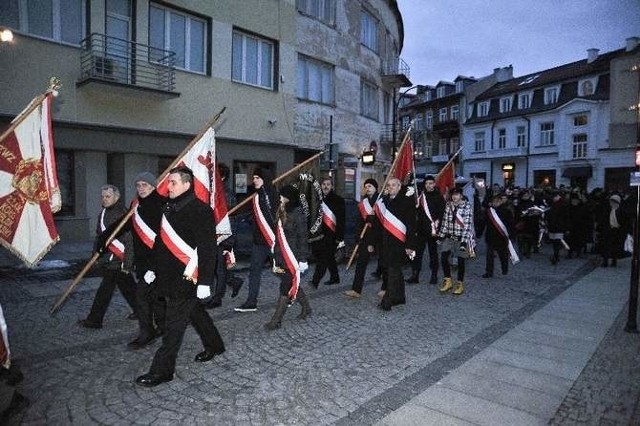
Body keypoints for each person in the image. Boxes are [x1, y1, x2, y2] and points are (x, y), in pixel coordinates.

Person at [135, 166, 225, 388]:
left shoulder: (200, 210)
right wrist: (152, 268)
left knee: (173, 326)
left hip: (187, 279)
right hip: (167, 276)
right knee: (195, 312)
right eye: (168, 183)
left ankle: (162, 371)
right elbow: (161, 243)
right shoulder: (169, 208)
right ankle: (215, 345)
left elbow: (207, 248)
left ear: (186, 184)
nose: (169, 187)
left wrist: (205, 281)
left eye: (173, 182)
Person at [96, 172, 168, 349]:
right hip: (143, 262)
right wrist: (103, 239)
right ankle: (163, 326)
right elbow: (123, 224)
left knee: (141, 296)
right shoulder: (138, 206)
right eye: (138, 185)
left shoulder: (160, 205)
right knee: (156, 296)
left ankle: (147, 333)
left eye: (145, 185)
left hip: (156, 262)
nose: (141, 188)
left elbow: (163, 238)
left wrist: (154, 266)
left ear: (153, 186)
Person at [78, 184, 138, 329]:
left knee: (104, 291)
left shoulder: (121, 214)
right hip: (111, 259)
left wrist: (128, 264)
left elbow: (129, 240)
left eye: (108, 196)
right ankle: (143, 311)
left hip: (117, 260)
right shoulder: (104, 212)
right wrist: (96, 255)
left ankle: (94, 320)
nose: (104, 199)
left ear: (116, 198)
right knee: (129, 288)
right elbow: (100, 237)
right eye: (102, 196)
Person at [264, 185, 312, 329]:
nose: (279, 198)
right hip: (281, 255)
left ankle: (276, 320)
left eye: (282, 196)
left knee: (285, 286)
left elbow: (303, 238)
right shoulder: (281, 211)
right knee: (291, 283)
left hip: (293, 257)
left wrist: (303, 259)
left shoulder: (298, 214)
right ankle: (307, 307)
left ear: (288, 198)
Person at [235, 168, 277, 312]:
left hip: (272, 240)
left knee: (283, 271)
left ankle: (295, 295)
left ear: (264, 179)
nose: (253, 181)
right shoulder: (256, 196)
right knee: (254, 271)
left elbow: (273, 217)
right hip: (259, 242)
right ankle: (251, 302)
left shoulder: (271, 195)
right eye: (253, 178)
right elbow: (244, 211)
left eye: (257, 178)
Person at [378, 178, 417, 311]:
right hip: (386, 242)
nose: (390, 187)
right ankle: (400, 297)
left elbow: (412, 225)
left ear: (400, 187)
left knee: (392, 271)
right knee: (395, 271)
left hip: (400, 242)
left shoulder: (406, 202)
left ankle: (387, 300)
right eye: (388, 185)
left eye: (394, 185)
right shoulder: (385, 201)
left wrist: (410, 245)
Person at [210, 163, 243, 307]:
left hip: (223, 237)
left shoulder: (227, 194)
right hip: (213, 236)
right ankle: (234, 282)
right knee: (216, 267)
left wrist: (229, 242)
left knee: (219, 269)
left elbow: (232, 219)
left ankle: (217, 298)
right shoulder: (214, 192)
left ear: (221, 177)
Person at [345, 178, 382, 298]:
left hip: (380, 237)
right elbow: (359, 222)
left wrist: (374, 220)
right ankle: (356, 290)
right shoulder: (363, 203)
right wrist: (358, 236)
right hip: (366, 237)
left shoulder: (381, 201)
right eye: (366, 187)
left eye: (370, 186)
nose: (367, 188)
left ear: (376, 188)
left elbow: (384, 222)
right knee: (361, 263)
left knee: (384, 263)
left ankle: (386, 288)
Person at [408, 175, 445, 285]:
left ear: (434, 184)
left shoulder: (439, 197)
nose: (428, 185)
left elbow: (442, 214)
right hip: (421, 230)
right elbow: (416, 211)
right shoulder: (420, 196)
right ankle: (415, 275)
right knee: (417, 254)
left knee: (433, 254)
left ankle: (434, 275)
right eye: (426, 184)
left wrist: (439, 230)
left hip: (433, 230)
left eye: (430, 183)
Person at [438, 187, 475, 296]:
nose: (454, 197)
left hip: (460, 237)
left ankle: (460, 283)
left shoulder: (467, 207)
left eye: (457, 194)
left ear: (461, 195)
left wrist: (464, 241)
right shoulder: (448, 206)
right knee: (443, 258)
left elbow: (468, 225)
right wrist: (441, 236)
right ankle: (448, 280)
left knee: (460, 261)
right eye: (453, 194)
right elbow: (445, 222)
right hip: (449, 237)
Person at [310, 177, 345, 287]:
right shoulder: (316, 200)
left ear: (332, 186)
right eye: (323, 184)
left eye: (328, 184)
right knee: (329, 258)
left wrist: (339, 237)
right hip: (319, 235)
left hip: (331, 236)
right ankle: (335, 278)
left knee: (323, 259)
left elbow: (341, 220)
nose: (325, 186)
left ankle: (315, 281)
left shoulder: (338, 200)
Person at [482, 194, 515, 278]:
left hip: (501, 237)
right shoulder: (489, 211)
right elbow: (483, 222)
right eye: (494, 201)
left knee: (503, 255)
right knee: (489, 256)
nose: (496, 203)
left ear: (501, 201)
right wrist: (479, 232)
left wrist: (511, 235)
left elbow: (511, 224)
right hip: (490, 236)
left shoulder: (506, 211)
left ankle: (504, 269)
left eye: (498, 201)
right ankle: (489, 272)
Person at [596, 194, 625, 267]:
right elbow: (602, 220)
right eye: (611, 202)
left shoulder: (621, 211)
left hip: (617, 232)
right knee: (605, 247)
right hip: (607, 231)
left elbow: (624, 222)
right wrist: (599, 229)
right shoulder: (607, 210)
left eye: (613, 202)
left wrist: (620, 227)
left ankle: (614, 261)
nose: (611, 204)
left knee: (614, 247)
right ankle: (605, 261)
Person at [546, 191, 570, 265]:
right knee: (555, 241)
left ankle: (556, 255)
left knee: (557, 241)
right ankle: (556, 254)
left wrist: (566, 227)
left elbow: (566, 217)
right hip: (554, 225)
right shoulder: (554, 204)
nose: (554, 198)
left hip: (558, 225)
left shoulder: (562, 205)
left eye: (555, 197)